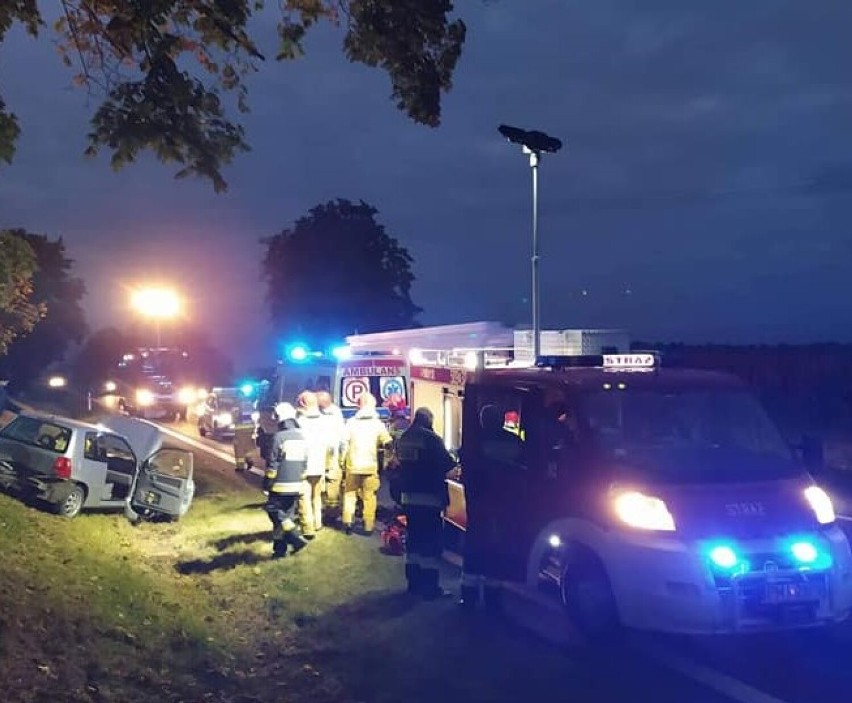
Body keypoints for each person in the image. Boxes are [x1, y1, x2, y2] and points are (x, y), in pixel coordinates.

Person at [458, 403, 524, 612]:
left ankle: (468, 599)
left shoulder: (474, 441)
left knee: (474, 548)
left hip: (478, 504)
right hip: (503, 504)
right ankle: (493, 601)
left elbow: (465, 466)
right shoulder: (513, 441)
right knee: (496, 550)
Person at [397, 407, 458, 598]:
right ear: (428, 420)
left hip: (408, 497)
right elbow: (448, 463)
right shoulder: (431, 439)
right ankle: (430, 588)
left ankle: (413, 584)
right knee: (430, 544)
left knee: (414, 541)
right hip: (429, 498)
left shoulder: (404, 437)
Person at [340, 392, 392, 535]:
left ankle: (348, 521)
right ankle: (368, 525)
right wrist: (389, 459)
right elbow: (388, 442)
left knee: (350, 494)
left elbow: (343, 444)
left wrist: (341, 461)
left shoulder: (350, 423)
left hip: (353, 466)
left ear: (358, 405)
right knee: (370, 497)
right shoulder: (378, 424)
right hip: (370, 467)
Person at [263, 402, 310, 558]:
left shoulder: (279, 437)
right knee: (285, 517)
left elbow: (273, 462)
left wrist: (267, 482)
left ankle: (295, 538)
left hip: (279, 484)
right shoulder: (302, 436)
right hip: (297, 484)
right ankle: (279, 550)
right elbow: (305, 460)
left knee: (273, 510)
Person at [295, 390, 327, 538]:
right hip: (319, 464)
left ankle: (308, 528)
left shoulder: (299, 422)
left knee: (304, 497)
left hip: (304, 466)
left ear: (302, 404)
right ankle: (318, 523)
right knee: (317, 497)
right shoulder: (323, 421)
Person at [317, 390, 346, 521]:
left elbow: (341, 436)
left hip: (330, 453)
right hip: (326, 452)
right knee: (329, 482)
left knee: (332, 483)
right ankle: (328, 510)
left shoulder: (330, 413)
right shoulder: (336, 412)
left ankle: (331, 512)